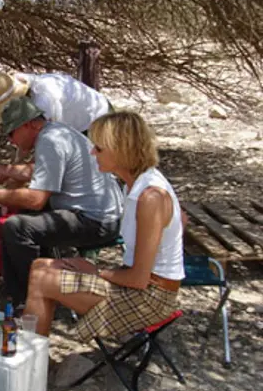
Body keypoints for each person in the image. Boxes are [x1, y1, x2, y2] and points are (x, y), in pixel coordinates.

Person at [23, 112, 184, 342]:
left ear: (120, 150)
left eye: (99, 148)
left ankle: (30, 358)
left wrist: (96, 271)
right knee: (40, 266)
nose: (92, 153)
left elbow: (139, 279)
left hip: (151, 298)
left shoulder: (151, 197)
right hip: (141, 286)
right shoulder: (136, 185)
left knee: (43, 280)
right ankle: (31, 352)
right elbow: (178, 223)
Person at [0, 97, 122, 307]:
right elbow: (39, 170)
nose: (11, 141)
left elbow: (36, 199)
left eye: (11, 133)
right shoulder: (56, 131)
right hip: (100, 213)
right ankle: (28, 285)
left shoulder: (50, 141)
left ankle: (30, 297)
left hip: (96, 221)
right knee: (24, 217)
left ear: (29, 125)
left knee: (16, 227)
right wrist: (5, 169)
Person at [0, 71, 112, 133]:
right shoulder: (25, 81)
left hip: (98, 120)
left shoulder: (44, 101)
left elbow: (55, 138)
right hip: (79, 121)